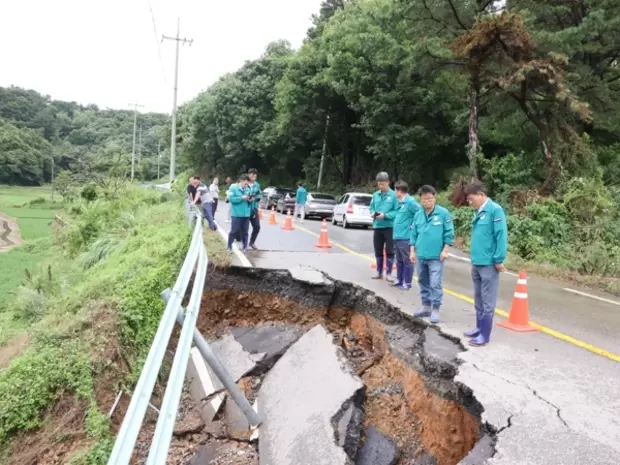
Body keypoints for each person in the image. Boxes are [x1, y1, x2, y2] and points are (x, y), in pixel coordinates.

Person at [463, 180, 507, 347]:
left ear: (481, 195)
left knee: (488, 300)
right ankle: (479, 328)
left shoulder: (495, 210)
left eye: (471, 198)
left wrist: (499, 259)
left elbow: (501, 236)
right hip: (477, 262)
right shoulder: (479, 211)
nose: (469, 202)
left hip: (488, 263)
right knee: (478, 298)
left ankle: (485, 335)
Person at [410, 185, 454, 324]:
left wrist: (445, 250)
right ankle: (426, 306)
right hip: (421, 255)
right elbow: (413, 234)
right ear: (420, 200)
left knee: (435, 283)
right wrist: (412, 251)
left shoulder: (443, 213)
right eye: (424, 199)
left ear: (434, 197)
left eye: (429, 198)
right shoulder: (418, 214)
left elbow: (449, 233)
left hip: (436, 256)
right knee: (423, 281)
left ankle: (435, 308)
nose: (427, 201)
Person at [369, 172, 399, 281]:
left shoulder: (394, 195)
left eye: (383, 184)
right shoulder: (375, 195)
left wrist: (386, 215)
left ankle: (389, 273)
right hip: (377, 226)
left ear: (388, 183)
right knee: (378, 250)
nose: (381, 186)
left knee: (390, 250)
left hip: (389, 226)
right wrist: (373, 213)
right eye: (379, 184)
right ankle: (379, 272)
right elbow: (371, 208)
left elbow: (397, 211)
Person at [391, 181, 420, 290]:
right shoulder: (400, 202)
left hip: (405, 236)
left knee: (407, 260)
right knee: (399, 260)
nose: (394, 192)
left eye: (395, 190)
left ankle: (407, 283)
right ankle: (400, 280)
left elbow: (420, 212)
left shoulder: (410, 202)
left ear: (399, 191)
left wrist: (413, 225)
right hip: (397, 236)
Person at [227, 174, 252, 252]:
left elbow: (249, 200)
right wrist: (241, 198)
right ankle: (229, 246)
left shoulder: (248, 189)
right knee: (234, 231)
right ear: (241, 181)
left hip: (246, 214)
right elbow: (231, 199)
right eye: (245, 184)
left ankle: (245, 247)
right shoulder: (233, 187)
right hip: (236, 214)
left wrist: (250, 200)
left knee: (245, 232)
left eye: (247, 184)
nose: (246, 186)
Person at [247, 168, 263, 250]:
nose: (253, 177)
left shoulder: (257, 185)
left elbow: (260, 195)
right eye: (252, 175)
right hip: (245, 209)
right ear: (248, 175)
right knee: (243, 228)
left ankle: (252, 242)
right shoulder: (244, 183)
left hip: (254, 208)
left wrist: (255, 198)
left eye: (255, 175)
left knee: (257, 226)